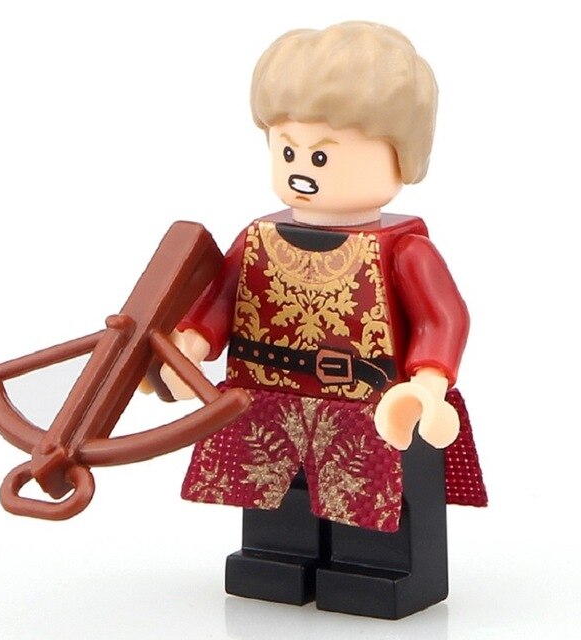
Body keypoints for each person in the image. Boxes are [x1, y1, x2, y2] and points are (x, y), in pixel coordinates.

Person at [153, 21, 486, 619]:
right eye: (288, 150)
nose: (302, 168)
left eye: (323, 154)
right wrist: (192, 345)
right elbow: (223, 299)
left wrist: (429, 383)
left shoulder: (404, 250)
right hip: (266, 398)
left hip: (371, 405)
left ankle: (378, 570)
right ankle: (277, 559)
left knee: (375, 494)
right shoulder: (258, 237)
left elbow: (443, 317)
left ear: (400, 158)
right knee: (275, 490)